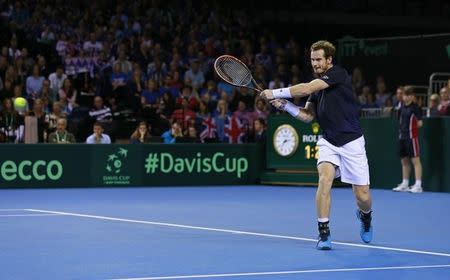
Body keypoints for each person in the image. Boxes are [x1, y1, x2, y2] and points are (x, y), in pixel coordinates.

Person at [261, 40, 373, 250]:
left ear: (329, 60)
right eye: (312, 60)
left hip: (352, 142)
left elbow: (306, 88)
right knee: (324, 179)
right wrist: (285, 106)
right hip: (328, 141)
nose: (315, 63)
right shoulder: (316, 87)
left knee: (363, 197)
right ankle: (324, 233)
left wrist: (275, 93)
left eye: (319, 59)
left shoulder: (338, 74)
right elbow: (308, 116)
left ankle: (366, 217)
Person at [393, 87, 423, 193]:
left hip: (412, 138)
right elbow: (400, 122)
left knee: (416, 161)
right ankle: (405, 184)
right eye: (405, 95)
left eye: (409, 95)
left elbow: (420, 123)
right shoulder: (401, 108)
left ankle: (418, 185)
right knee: (404, 161)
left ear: (413, 96)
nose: (407, 97)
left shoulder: (415, 108)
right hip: (402, 137)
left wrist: (412, 128)